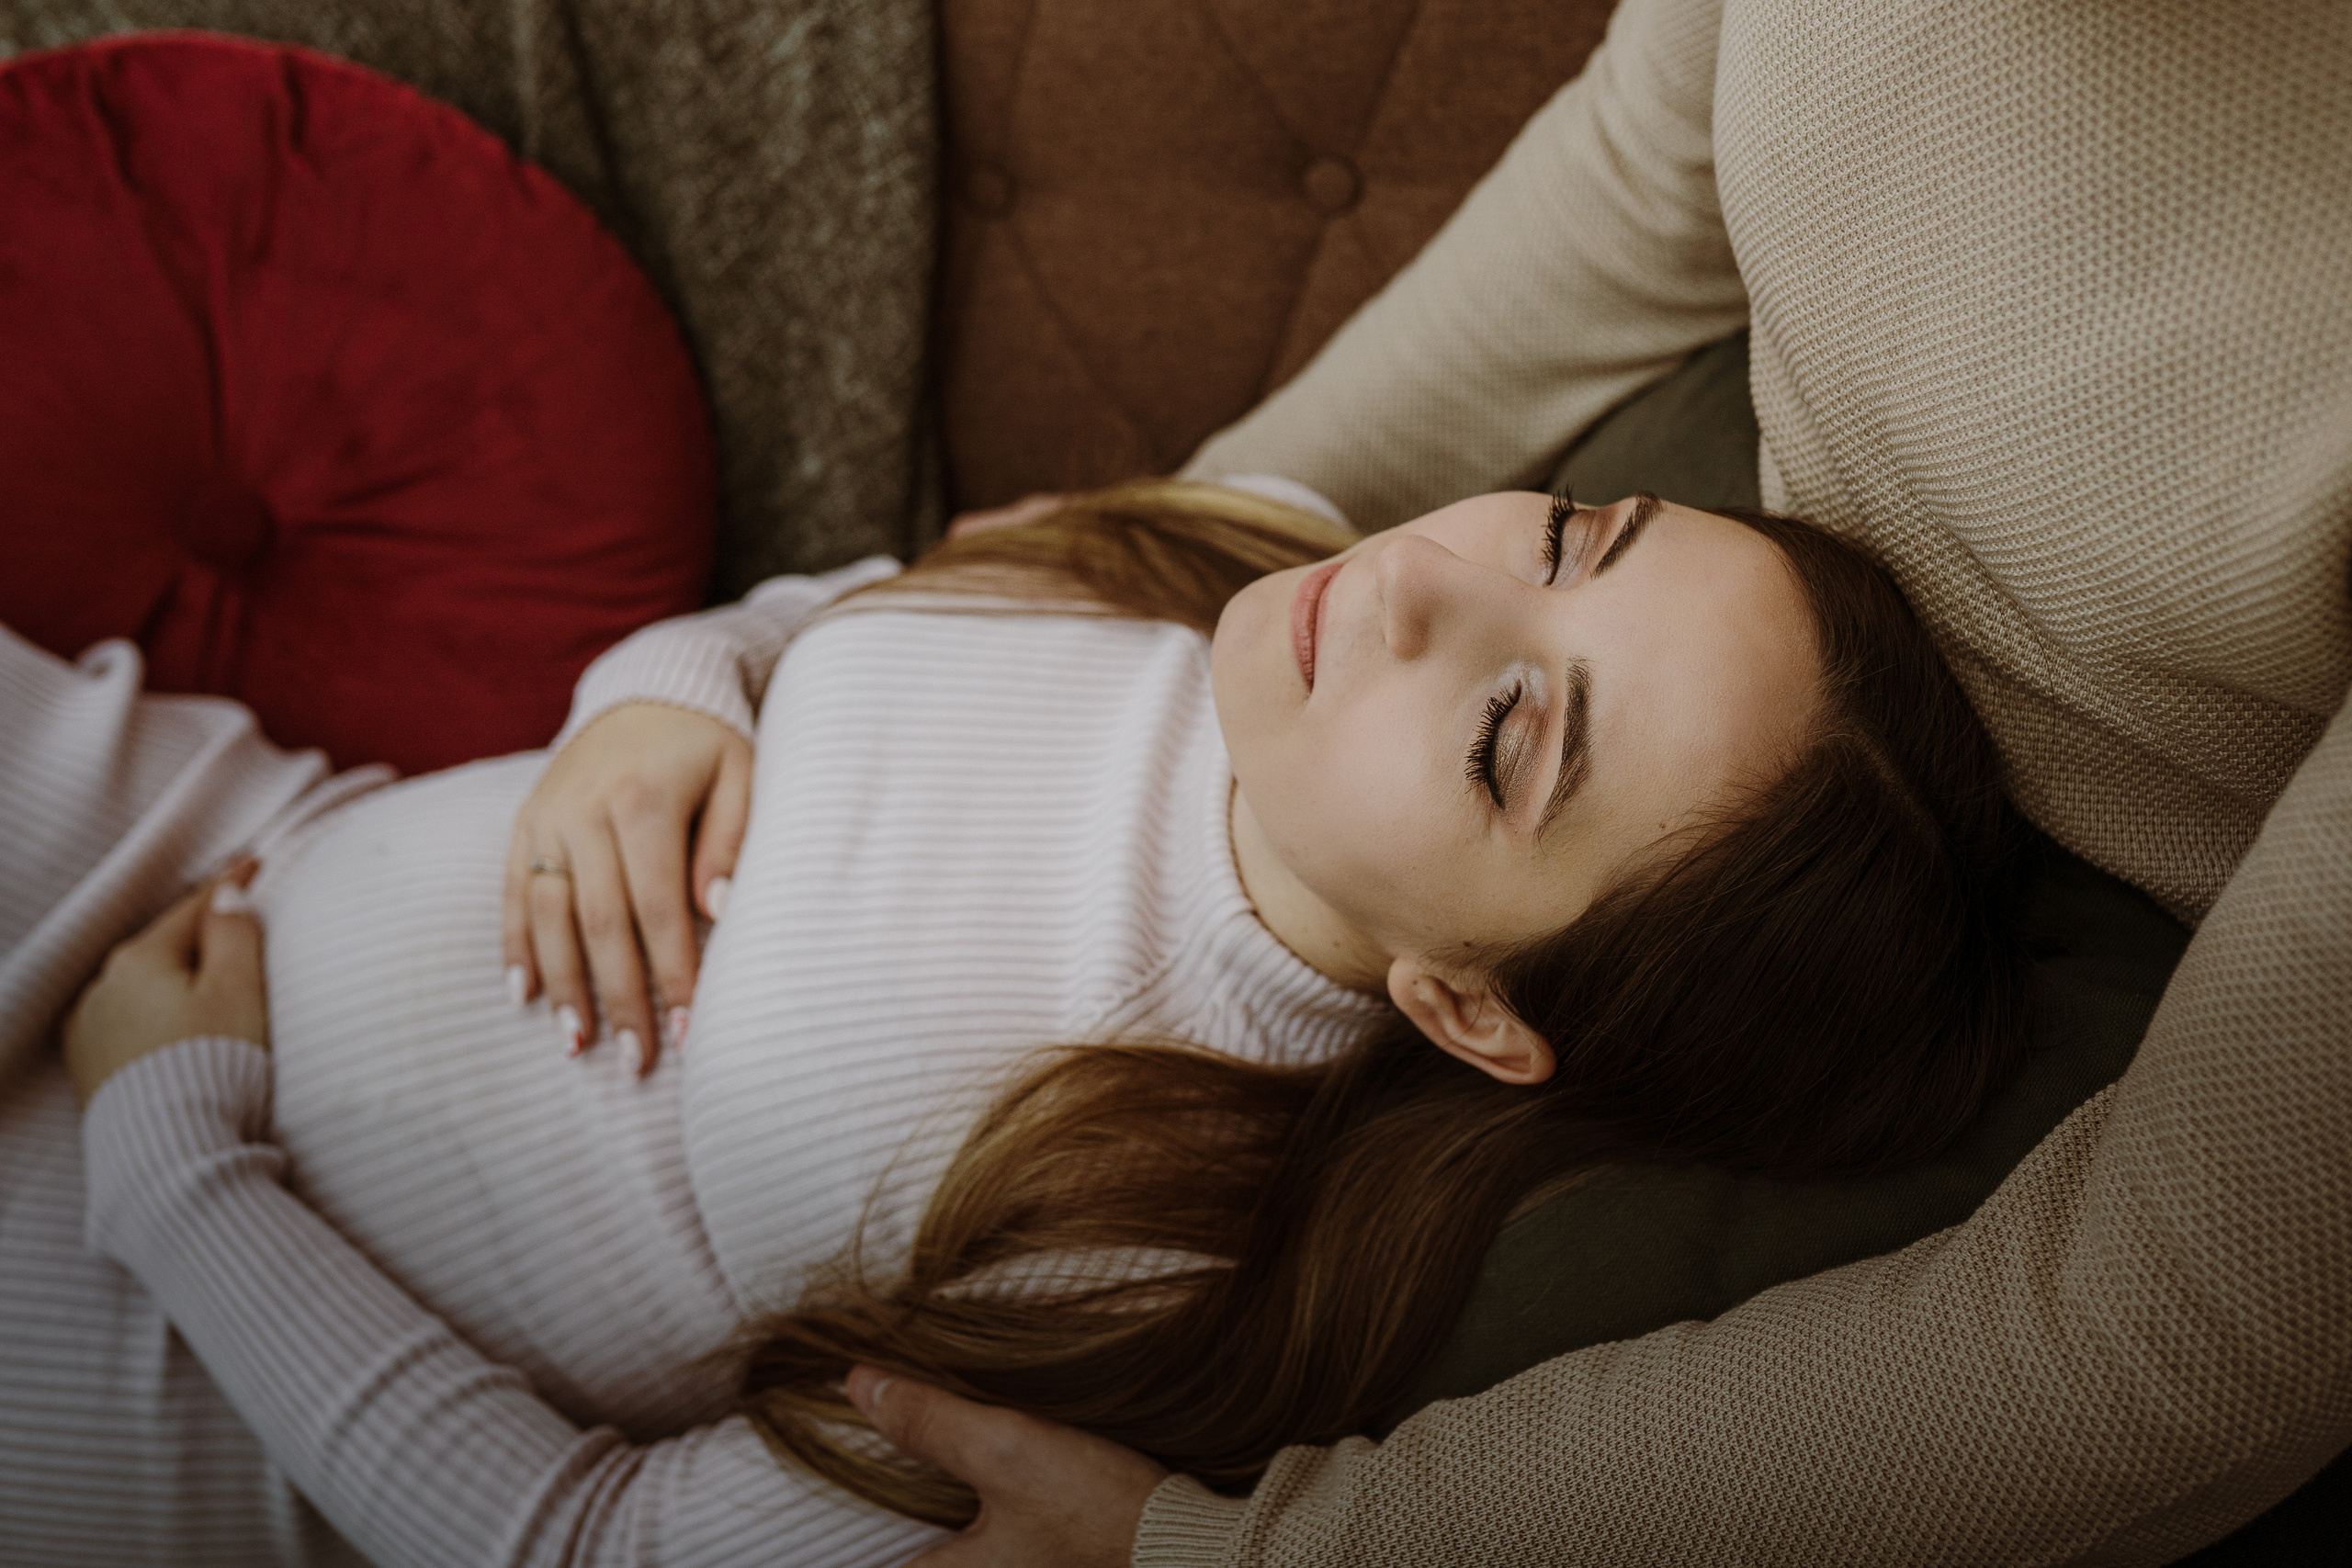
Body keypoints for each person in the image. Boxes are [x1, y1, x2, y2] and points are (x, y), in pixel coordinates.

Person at [832, 0, 2352, 1563]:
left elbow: (2179, 1324)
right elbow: (1645, 168)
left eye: (1505, 734)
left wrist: (1268, 1551)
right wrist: (1148, 548)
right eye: (1567, 529)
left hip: (1954, 991)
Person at [5, 472, 2027, 1566]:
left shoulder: (1137, 1239)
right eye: (1575, 536)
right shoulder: (1237, 555)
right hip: (230, 838)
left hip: (166, 1327)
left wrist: (175, 1148)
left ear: (1470, 1004)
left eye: (1510, 731)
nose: (1427, 589)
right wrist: (666, 690)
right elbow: (821, 617)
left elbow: (587, 1547)